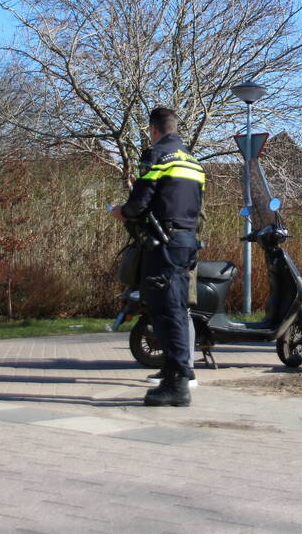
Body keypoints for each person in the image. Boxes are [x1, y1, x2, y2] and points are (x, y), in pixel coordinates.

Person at [110, 108, 204, 407]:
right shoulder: (194, 162)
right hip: (187, 239)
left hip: (163, 242)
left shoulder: (156, 156)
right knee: (174, 305)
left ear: (153, 130)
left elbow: (139, 203)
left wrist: (120, 212)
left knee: (167, 310)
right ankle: (173, 371)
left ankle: (177, 384)